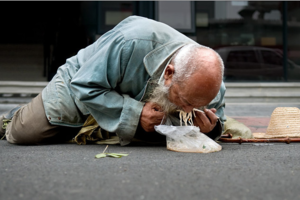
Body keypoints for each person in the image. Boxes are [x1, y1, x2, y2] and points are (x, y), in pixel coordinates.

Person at [0, 16, 226, 146]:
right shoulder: (131, 41)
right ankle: (14, 116)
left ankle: (109, 125)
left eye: (196, 104)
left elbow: (218, 119)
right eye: (185, 100)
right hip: (81, 84)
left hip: (125, 103)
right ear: (169, 73)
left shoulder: (212, 85)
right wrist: (136, 113)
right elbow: (84, 84)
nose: (187, 109)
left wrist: (211, 128)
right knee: (25, 134)